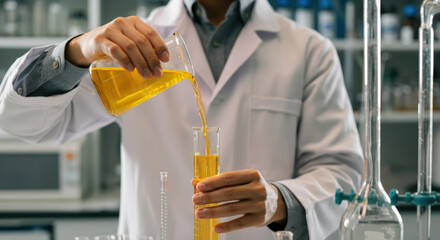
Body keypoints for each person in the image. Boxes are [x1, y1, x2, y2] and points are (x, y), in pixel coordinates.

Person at [0, 0, 363, 239]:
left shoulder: (309, 51)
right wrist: (77, 51)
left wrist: (278, 200)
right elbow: (20, 121)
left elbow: (341, 175)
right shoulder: (131, 43)